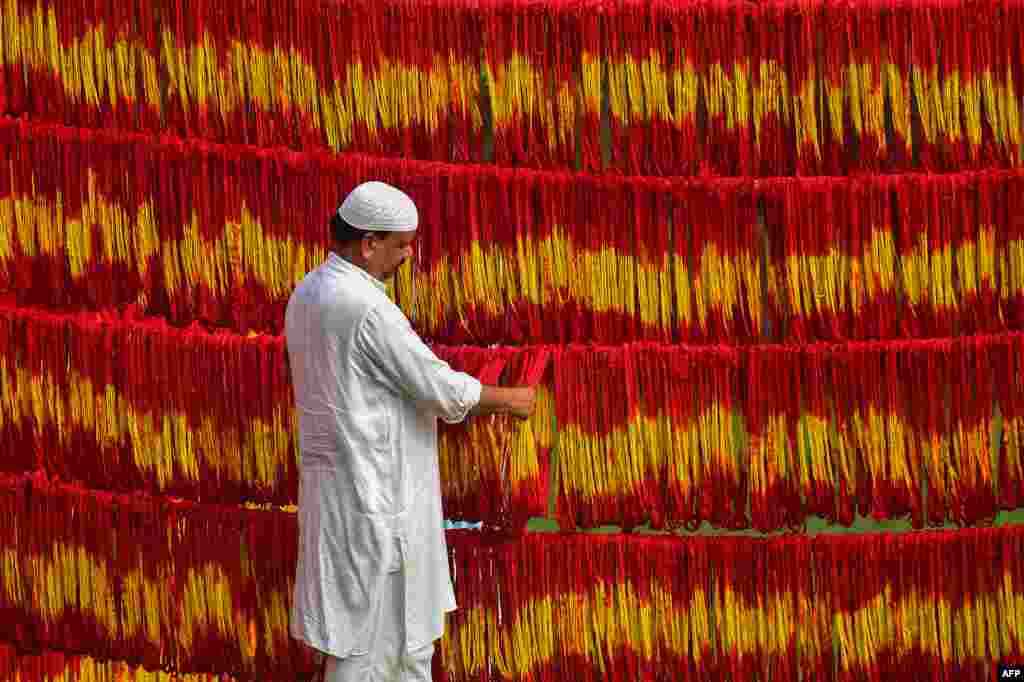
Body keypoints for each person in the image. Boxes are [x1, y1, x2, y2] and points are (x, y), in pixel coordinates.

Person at [284, 181, 536, 682]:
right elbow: (433, 385)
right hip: (377, 495)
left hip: (345, 491)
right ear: (369, 242)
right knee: (372, 642)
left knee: (369, 638)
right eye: (401, 244)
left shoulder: (309, 292)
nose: (408, 255)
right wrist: (509, 399)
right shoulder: (366, 308)